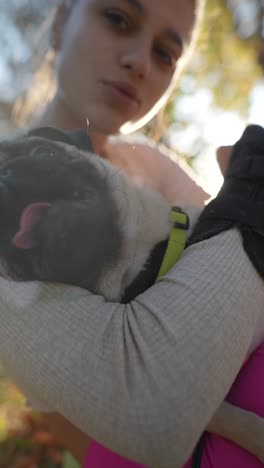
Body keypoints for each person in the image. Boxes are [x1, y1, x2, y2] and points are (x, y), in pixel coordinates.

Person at [1, 0, 264, 467]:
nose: (140, 63)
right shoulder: (15, 213)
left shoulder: (150, 162)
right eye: (118, 19)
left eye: (165, 54)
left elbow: (228, 263)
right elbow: (153, 409)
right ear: (61, 21)